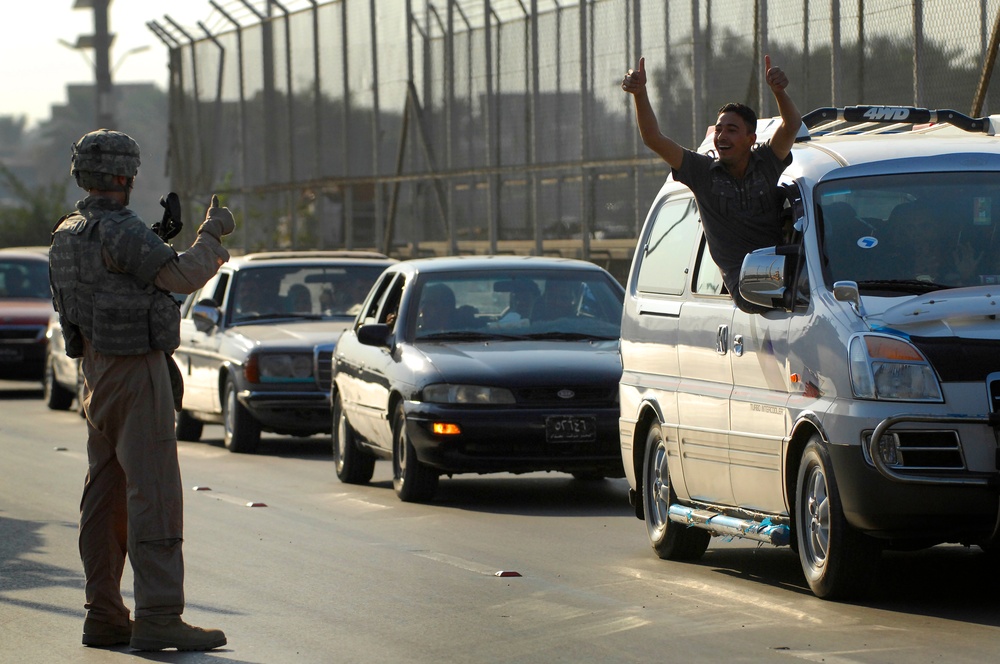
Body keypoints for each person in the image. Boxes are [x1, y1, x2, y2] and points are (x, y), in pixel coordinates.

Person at [48, 129, 234, 652]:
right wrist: (212, 235)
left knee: (104, 495)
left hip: (97, 373)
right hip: (135, 372)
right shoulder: (119, 227)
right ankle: (158, 615)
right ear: (126, 175)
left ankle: (103, 613)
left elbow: (111, 282)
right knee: (153, 493)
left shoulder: (67, 230)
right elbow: (180, 277)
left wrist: (156, 241)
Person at [622, 55, 802, 313]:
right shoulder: (703, 172)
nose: (721, 136)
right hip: (746, 286)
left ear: (751, 139)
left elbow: (792, 124)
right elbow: (653, 138)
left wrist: (779, 91)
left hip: (783, 273)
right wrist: (639, 93)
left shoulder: (767, 161)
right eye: (719, 129)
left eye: (731, 130)